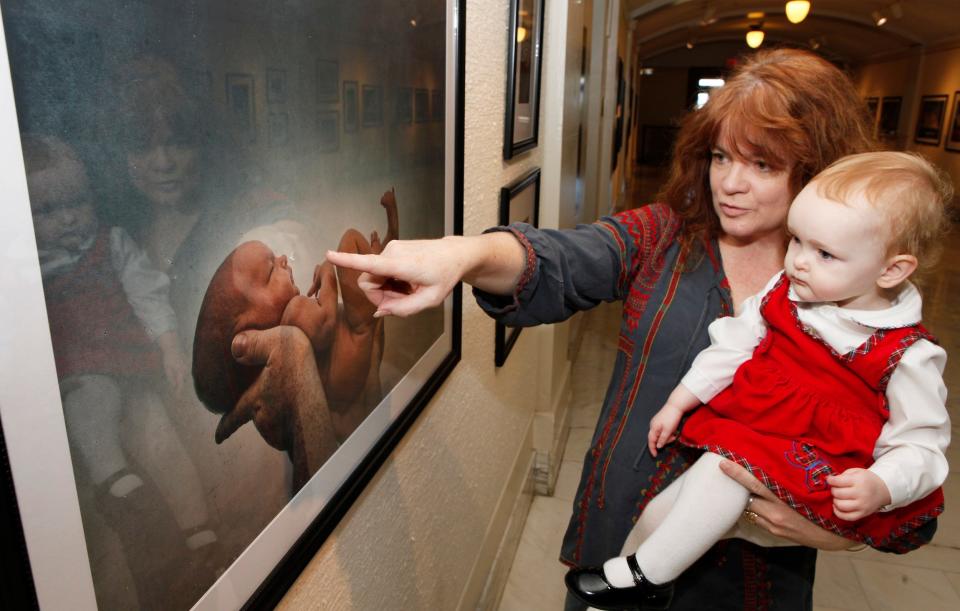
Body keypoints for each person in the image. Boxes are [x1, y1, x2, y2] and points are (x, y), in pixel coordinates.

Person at [322, 48, 923, 609]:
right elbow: (561, 258)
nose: (730, 184)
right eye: (721, 157)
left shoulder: (871, 312)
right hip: (621, 536)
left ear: (817, 172)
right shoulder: (666, 238)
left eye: (762, 164)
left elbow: (914, 473)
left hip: (751, 579)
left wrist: (841, 532)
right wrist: (463, 255)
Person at [563, 151, 951, 610]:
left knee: (722, 469)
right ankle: (635, 576)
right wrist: (680, 401)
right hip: (758, 435)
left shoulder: (907, 355)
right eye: (797, 242)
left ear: (891, 270)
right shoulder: (784, 291)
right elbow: (734, 344)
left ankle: (645, 576)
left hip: (818, 467)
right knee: (665, 510)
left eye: (825, 253)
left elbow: (922, 445)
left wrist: (882, 484)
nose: (799, 263)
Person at [21, 134, 220, 605]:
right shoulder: (25, 267)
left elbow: (149, 296)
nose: (68, 218)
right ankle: (121, 491)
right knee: (91, 405)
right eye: (46, 211)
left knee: (161, 439)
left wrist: (171, 350)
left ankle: (201, 532)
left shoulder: (112, 243)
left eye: (77, 202)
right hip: (79, 371)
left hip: (130, 361)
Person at [192, 191, 399, 488]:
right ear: (250, 324)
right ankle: (388, 241)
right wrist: (329, 274)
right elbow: (326, 324)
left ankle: (387, 250)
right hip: (354, 347)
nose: (282, 260)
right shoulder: (293, 313)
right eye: (270, 271)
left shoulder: (293, 318)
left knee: (359, 259)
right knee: (349, 242)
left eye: (275, 257)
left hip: (354, 371)